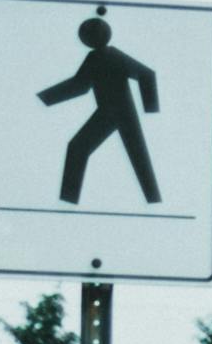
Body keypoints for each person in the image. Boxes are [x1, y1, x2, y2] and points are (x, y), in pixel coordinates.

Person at [41, 13, 158, 207]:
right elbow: (81, 85)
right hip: (111, 112)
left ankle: (67, 202)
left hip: (118, 113)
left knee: (83, 148)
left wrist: (151, 108)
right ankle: (68, 202)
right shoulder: (96, 57)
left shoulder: (111, 55)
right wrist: (47, 98)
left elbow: (146, 75)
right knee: (135, 157)